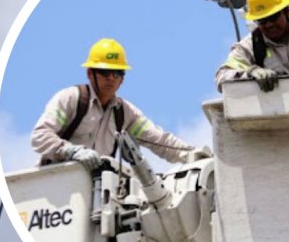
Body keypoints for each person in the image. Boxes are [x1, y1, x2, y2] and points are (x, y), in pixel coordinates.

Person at [31, 38, 211, 170]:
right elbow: (40, 136)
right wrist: (71, 151)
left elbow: (159, 140)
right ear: (89, 73)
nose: (111, 78)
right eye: (104, 72)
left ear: (123, 79)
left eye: (117, 73)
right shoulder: (71, 99)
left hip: (94, 192)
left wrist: (193, 155)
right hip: (57, 184)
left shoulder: (124, 113)